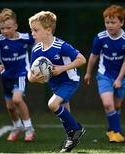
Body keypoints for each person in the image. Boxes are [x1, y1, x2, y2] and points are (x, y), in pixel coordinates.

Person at [28, 11, 86, 152]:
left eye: (36, 30)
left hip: (69, 81)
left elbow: (82, 59)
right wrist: (33, 78)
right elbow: (30, 74)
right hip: (55, 84)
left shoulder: (61, 46)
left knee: (52, 104)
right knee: (65, 117)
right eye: (31, 30)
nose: (32, 33)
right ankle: (71, 140)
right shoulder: (36, 49)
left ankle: (78, 129)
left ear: (48, 30)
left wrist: (62, 68)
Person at [84, 5, 125, 143]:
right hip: (104, 75)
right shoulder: (100, 38)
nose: (109, 25)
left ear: (121, 22)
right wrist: (88, 72)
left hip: (121, 77)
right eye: (107, 22)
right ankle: (117, 132)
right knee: (107, 104)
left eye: (113, 22)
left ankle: (111, 130)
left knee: (116, 106)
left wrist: (119, 79)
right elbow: (93, 56)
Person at [0, 8, 35, 142]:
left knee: (17, 99)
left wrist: (39, 61)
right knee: (10, 107)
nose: (5, 31)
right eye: (2, 28)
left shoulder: (25, 38)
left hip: (22, 74)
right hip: (6, 76)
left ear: (16, 26)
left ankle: (29, 129)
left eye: (8, 28)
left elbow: (39, 45)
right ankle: (17, 127)